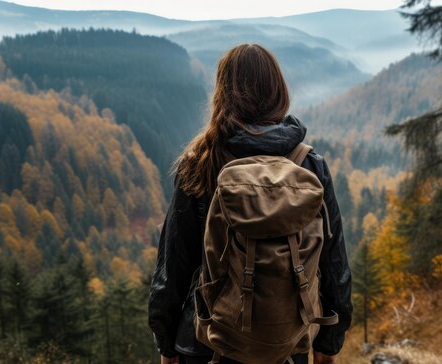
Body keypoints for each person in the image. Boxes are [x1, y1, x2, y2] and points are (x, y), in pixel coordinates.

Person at [148, 44, 352, 364]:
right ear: (279, 91)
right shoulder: (309, 165)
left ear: (223, 93)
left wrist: (166, 344)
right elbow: (333, 262)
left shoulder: (201, 162)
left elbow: (173, 267)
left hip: (208, 340)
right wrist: (329, 342)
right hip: (287, 342)